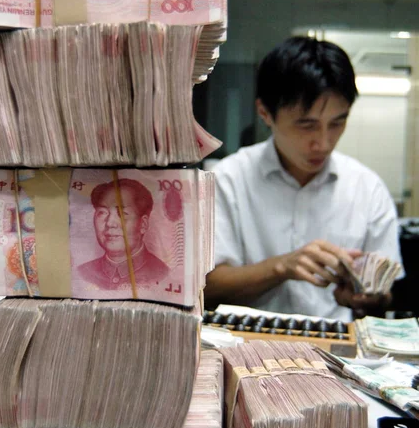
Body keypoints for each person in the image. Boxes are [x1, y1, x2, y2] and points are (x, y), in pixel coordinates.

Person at [205, 36, 403, 321]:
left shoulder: (367, 188)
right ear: (265, 113)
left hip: (336, 349)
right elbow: (206, 288)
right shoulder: (227, 180)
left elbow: (385, 297)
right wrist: (282, 267)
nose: (323, 142)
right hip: (244, 345)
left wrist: (365, 297)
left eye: (338, 123)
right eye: (306, 125)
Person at [78, 178, 170, 289]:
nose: (110, 223)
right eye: (102, 212)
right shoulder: (83, 273)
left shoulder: (162, 274)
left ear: (143, 224)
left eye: (122, 213)